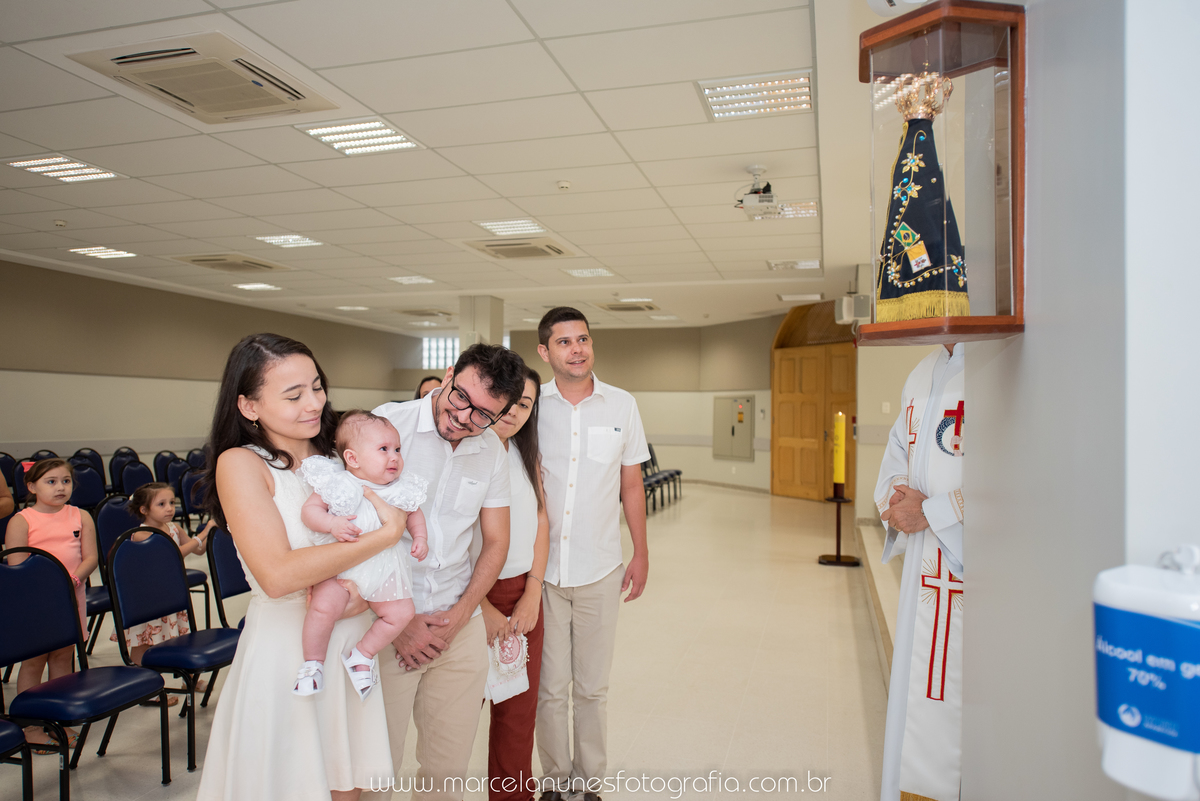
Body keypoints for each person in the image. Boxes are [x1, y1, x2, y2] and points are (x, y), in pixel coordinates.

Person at [196, 333, 405, 801]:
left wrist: (368, 586)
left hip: (350, 642)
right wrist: (382, 537)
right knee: (294, 782)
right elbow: (278, 575)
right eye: (293, 396)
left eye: (317, 387)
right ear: (249, 406)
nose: (314, 403)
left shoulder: (339, 455)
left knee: (348, 782)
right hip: (287, 649)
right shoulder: (242, 464)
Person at [372, 343, 526, 801]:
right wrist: (399, 621)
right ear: (448, 374)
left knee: (447, 772)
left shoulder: (490, 451)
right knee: (376, 767)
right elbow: (350, 536)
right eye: (461, 397)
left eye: (483, 415)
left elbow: (496, 542)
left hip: (458, 626)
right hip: (383, 624)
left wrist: (461, 616)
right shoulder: (387, 426)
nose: (463, 418)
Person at [534, 307, 649, 801]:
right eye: (564, 342)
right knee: (549, 688)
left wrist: (640, 552)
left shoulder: (622, 405)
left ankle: (589, 784)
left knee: (592, 688)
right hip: (543, 574)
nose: (577, 349)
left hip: (601, 567)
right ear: (545, 352)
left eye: (582, 339)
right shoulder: (531, 408)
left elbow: (631, 484)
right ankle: (555, 780)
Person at [874, 343, 966, 801]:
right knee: (916, 684)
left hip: (973, 563)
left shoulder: (997, 362)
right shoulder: (921, 373)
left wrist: (935, 511)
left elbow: (1021, 472)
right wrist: (899, 495)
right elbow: (897, 451)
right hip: (925, 564)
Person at [296, 411, 430, 700]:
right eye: (384, 449)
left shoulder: (400, 487)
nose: (394, 457)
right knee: (323, 607)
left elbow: (414, 515)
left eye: (397, 449)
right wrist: (331, 523)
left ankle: (362, 654)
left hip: (383, 568)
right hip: (341, 565)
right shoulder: (339, 482)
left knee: (402, 613)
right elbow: (310, 511)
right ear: (353, 458)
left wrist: (420, 537)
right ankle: (313, 663)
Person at [480, 366, 550, 801]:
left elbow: (542, 520)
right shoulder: (467, 450)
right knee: (455, 717)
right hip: (471, 598)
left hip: (522, 592)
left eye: (525, 404)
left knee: (517, 717)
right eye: (508, 399)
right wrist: (481, 608)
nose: (514, 410)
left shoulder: (526, 455)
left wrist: (533, 592)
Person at [6, 458, 98, 749]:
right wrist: (49, 589)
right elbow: (17, 566)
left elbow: (91, 557)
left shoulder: (80, 516)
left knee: (62, 656)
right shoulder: (21, 520)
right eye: (51, 482)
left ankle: (58, 718)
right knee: (34, 660)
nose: (60, 487)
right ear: (32, 486)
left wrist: (73, 579)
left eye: (66, 481)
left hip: (71, 595)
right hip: (36, 600)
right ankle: (31, 724)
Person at [112, 482, 217, 705]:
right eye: (161, 504)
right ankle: (146, 689)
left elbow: (198, 550)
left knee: (179, 637)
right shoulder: (142, 534)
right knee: (143, 643)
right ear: (144, 509)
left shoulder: (173, 528)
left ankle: (188, 679)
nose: (169, 508)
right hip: (145, 599)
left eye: (171, 502)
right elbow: (173, 553)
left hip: (169, 594)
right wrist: (203, 533)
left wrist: (210, 531)